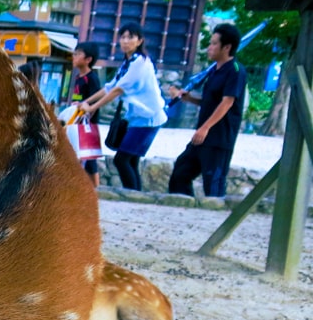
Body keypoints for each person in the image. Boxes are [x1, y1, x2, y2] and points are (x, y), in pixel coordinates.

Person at [79, 22, 167, 191]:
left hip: (149, 118)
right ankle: (136, 196)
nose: (126, 41)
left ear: (139, 41)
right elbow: (109, 87)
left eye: (131, 37)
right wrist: (87, 102)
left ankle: (133, 196)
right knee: (131, 160)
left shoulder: (140, 63)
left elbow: (118, 90)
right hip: (138, 118)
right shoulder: (128, 63)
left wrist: (93, 107)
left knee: (122, 159)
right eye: (123, 37)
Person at [167, 23, 246, 198]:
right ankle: (184, 211)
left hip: (219, 138)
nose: (209, 48)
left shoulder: (236, 71)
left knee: (213, 184)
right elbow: (209, 102)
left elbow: (227, 102)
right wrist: (187, 98)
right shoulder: (214, 71)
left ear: (226, 47)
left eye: (214, 44)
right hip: (202, 136)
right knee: (181, 172)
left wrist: (205, 128)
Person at [70, 41, 103, 187]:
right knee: (81, 154)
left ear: (88, 59)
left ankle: (95, 186)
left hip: (87, 122)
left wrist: (88, 117)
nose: (74, 57)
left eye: (78, 54)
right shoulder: (78, 77)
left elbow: (96, 99)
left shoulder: (92, 78)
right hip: (77, 120)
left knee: (89, 156)